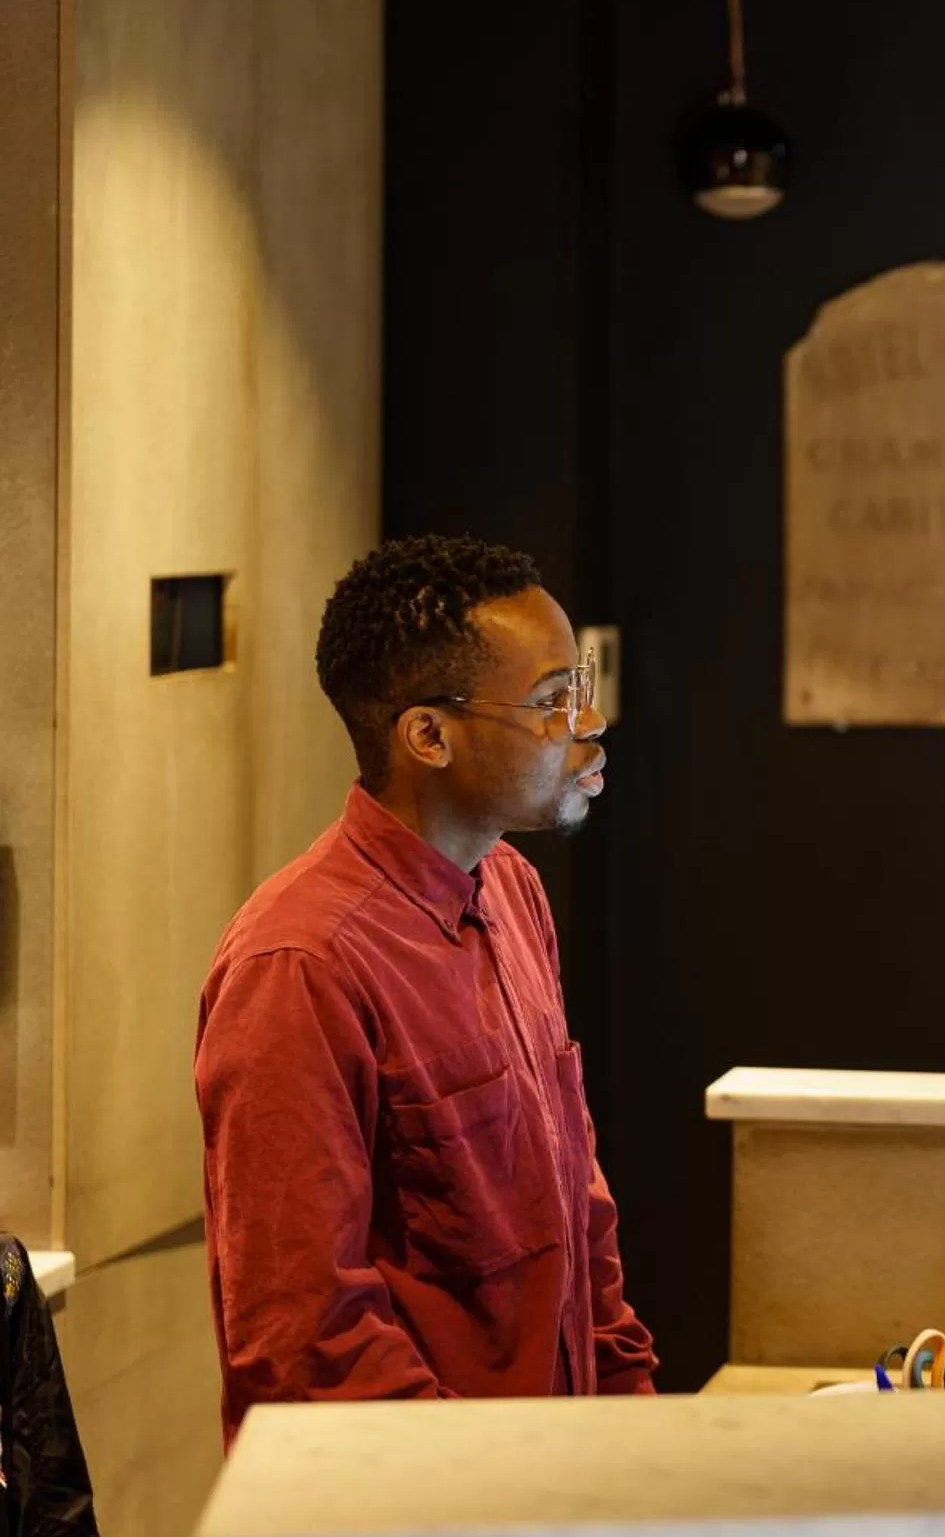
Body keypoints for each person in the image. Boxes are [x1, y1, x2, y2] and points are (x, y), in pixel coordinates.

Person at [195, 536, 656, 1446]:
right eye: (553, 700)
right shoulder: (298, 965)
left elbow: (579, 1206)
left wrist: (627, 1424)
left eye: (583, 687)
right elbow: (304, 1347)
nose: (589, 722)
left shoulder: (515, 891)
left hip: (550, 1498)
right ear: (430, 736)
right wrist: (493, 1511)